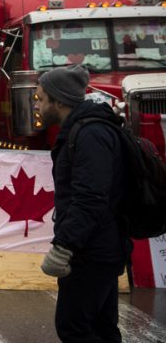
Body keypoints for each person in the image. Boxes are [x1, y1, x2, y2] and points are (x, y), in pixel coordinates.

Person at [35, 64, 131, 342]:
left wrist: (64, 247)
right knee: (101, 327)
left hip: (93, 251)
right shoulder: (82, 129)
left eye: (41, 99)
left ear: (60, 100)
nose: (38, 105)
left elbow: (90, 198)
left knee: (73, 326)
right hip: (98, 246)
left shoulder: (90, 134)